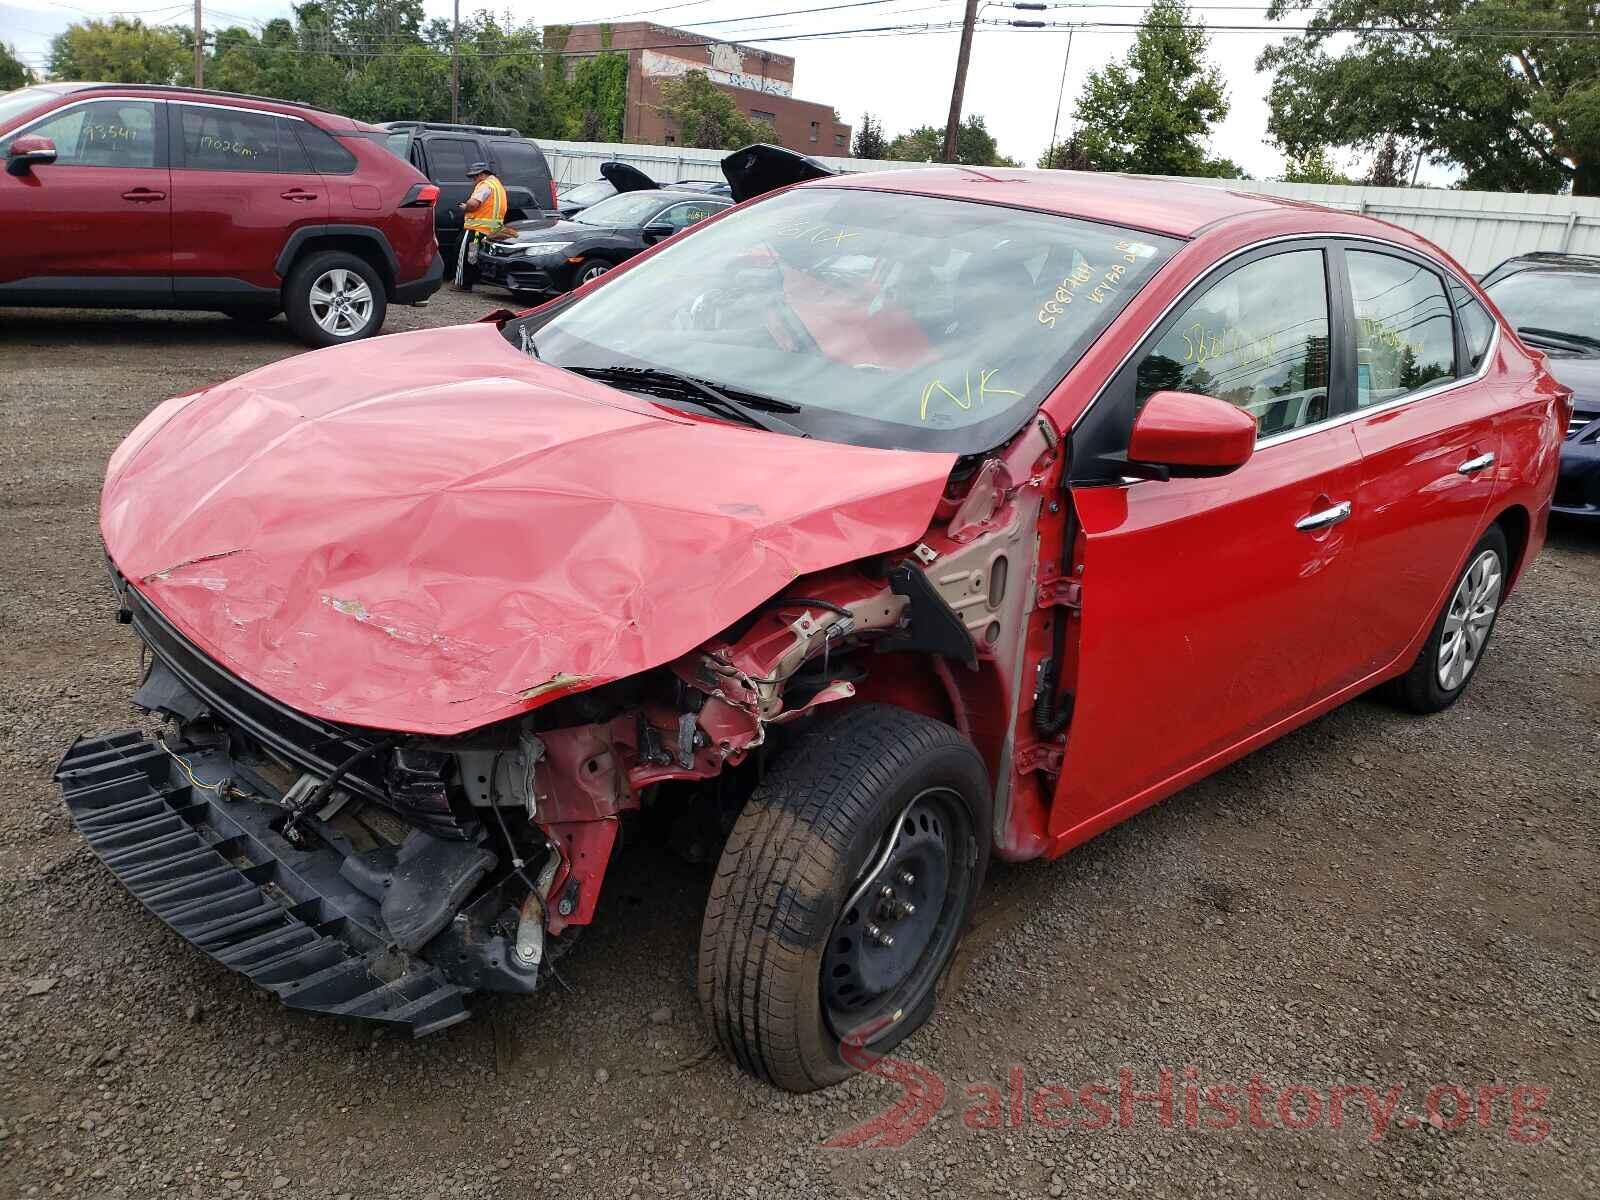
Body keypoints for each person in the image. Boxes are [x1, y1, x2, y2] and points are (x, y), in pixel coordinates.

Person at [454, 161, 507, 291]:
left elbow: (473, 204)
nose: (474, 180)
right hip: (489, 230)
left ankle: (462, 284)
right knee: (473, 257)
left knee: (465, 255)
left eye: (475, 176)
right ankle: (469, 282)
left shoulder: (485, 185)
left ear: (483, 174)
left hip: (476, 229)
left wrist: (465, 207)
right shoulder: (498, 186)